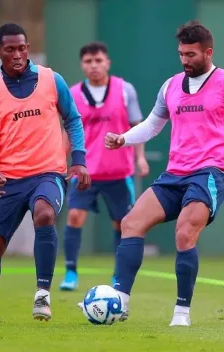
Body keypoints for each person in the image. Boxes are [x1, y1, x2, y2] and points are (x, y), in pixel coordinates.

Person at [104, 20, 224, 326]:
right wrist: (124, 138)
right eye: (181, 54)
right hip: (175, 173)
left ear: (208, 52)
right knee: (131, 223)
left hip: (211, 173)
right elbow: (152, 125)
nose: (185, 60)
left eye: (191, 55)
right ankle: (119, 303)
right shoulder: (171, 86)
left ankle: (181, 313)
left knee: (184, 233)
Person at [0, 23, 90, 324]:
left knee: (44, 214)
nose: (17, 54)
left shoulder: (52, 80)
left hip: (47, 173)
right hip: (10, 179)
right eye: (9, 49)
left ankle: (42, 295)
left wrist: (78, 159)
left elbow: (73, 120)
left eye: (22, 48)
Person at [59, 42, 149, 291]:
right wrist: (60, 161)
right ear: (82, 65)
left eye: (98, 60)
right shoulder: (73, 94)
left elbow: (137, 125)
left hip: (119, 171)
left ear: (107, 62)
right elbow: (68, 131)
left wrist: (140, 158)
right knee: (75, 216)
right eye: (88, 61)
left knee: (121, 223)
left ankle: (118, 273)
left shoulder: (125, 90)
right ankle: (70, 272)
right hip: (85, 171)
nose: (94, 65)